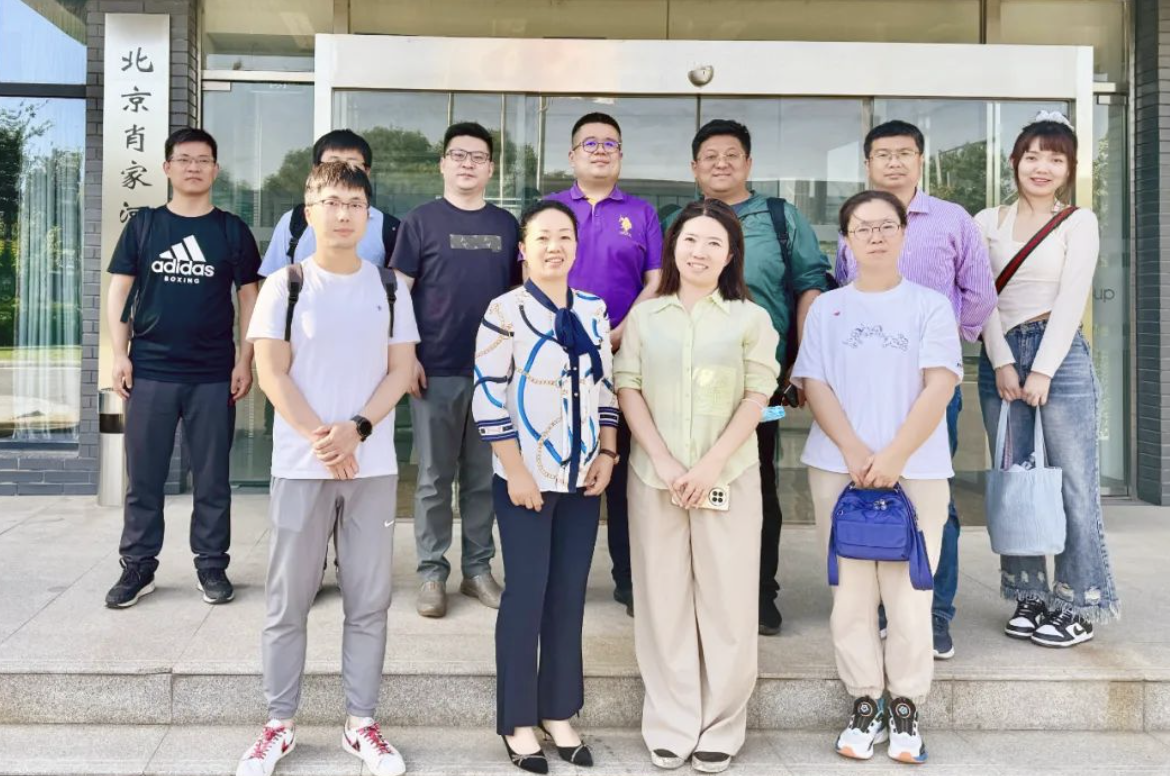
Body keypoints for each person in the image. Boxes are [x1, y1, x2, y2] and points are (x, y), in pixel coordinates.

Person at [236, 162, 419, 776]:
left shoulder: (389, 288)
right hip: (301, 465)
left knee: (369, 601)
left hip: (372, 466)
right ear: (309, 211)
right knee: (288, 601)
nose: (343, 214)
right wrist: (325, 440)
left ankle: (360, 723)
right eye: (332, 202)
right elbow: (271, 372)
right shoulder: (284, 286)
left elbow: (401, 370)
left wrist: (356, 431)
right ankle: (278, 724)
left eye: (355, 203)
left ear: (368, 214)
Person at [793, 190, 961, 765]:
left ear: (904, 233)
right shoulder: (828, 308)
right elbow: (815, 383)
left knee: (910, 593)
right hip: (837, 470)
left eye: (886, 226)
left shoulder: (930, 306)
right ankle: (866, 701)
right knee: (850, 594)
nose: (875, 236)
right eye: (862, 228)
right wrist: (855, 450)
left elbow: (940, 385)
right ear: (845, 241)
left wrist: (893, 456)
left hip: (917, 471)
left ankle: (906, 705)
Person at [616, 198, 779, 774]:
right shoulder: (645, 317)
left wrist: (710, 464)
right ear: (673, 247)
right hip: (652, 477)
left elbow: (757, 396)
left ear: (731, 254)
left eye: (714, 243)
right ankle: (671, 721)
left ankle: (722, 724)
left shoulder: (750, 319)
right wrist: (662, 460)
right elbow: (628, 386)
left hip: (727, 475)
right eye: (690, 240)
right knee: (662, 601)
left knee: (728, 602)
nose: (700, 252)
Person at [663, 119, 831, 636]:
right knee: (683, 479)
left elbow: (810, 284)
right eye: (710, 156)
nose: (721, 163)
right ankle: (691, 591)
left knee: (755, 482)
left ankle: (758, 593)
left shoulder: (780, 217)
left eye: (731, 154)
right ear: (694, 168)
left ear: (749, 164)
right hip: (681, 380)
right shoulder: (677, 221)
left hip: (762, 384)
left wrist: (802, 362)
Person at [836, 120, 997, 660]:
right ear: (868, 164)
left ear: (921, 160)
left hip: (931, 385)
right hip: (865, 385)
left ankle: (936, 611)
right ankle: (885, 606)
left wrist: (948, 344)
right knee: (873, 490)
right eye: (883, 154)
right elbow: (843, 292)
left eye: (905, 153)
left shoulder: (952, 220)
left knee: (932, 497)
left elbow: (980, 293)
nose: (894, 162)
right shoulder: (856, 222)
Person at [473, 200, 618, 773]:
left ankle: (558, 712)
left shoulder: (595, 309)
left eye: (564, 237)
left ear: (576, 247)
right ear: (523, 250)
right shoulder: (504, 310)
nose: (554, 247)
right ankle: (517, 720)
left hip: (583, 477)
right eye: (542, 238)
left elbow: (605, 388)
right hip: (526, 478)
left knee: (568, 595)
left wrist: (608, 452)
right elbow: (488, 397)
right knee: (526, 594)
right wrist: (517, 470)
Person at [974, 114, 1119, 647]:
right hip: (1000, 357)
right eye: (1032, 156)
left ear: (1068, 168)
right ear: (1014, 161)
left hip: (1060, 358)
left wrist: (1041, 369)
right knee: (1017, 477)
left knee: (1075, 483)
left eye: (1055, 159)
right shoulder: (986, 220)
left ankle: (1079, 600)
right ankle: (1029, 594)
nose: (1042, 167)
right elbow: (980, 295)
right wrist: (1001, 360)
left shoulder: (1079, 222)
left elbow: (1072, 299)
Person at [104, 127, 261, 609]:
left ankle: (211, 564)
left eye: (203, 160)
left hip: (213, 373)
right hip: (150, 370)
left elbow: (250, 297)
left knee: (212, 479)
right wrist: (119, 353)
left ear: (216, 169)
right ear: (167, 167)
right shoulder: (145, 225)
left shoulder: (231, 230)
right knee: (144, 478)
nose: (194, 167)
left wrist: (245, 358)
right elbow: (119, 289)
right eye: (184, 159)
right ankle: (138, 566)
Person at [390, 121, 522, 618]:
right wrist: (406, 357)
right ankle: (431, 572)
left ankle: (478, 570)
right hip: (435, 369)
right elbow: (398, 294)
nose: (468, 164)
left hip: (494, 372)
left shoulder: (507, 226)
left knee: (483, 478)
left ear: (491, 168)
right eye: (458, 155)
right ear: (442, 163)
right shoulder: (419, 221)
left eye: (478, 157)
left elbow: (519, 295)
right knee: (432, 477)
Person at [544, 111, 662, 617]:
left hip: (623, 357)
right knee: (558, 461)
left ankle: (628, 580)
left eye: (609, 143)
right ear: (571, 156)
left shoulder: (642, 213)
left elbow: (656, 282)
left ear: (620, 156)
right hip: (554, 357)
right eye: (589, 143)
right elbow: (527, 277)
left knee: (619, 469)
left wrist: (617, 333)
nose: (599, 150)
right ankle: (555, 578)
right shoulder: (550, 209)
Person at [259, 129, 400, 276]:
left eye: (352, 165)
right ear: (315, 169)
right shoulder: (293, 220)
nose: (343, 172)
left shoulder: (389, 228)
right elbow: (274, 279)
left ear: (367, 172)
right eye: (333, 164)